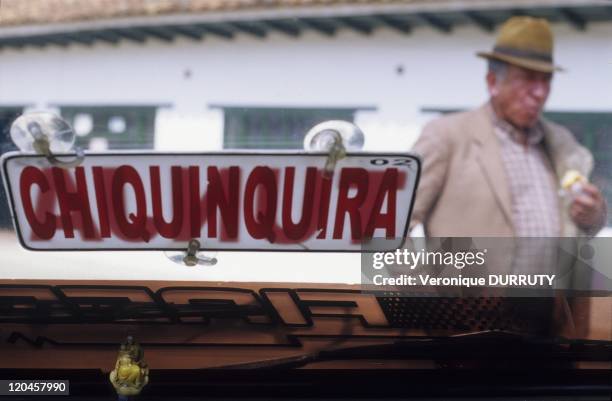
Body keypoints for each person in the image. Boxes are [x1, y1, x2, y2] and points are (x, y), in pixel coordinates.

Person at [410, 16, 607, 238]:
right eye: (528, 79)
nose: (540, 92)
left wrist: (592, 216)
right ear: (493, 82)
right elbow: (391, 228)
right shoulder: (446, 137)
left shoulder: (562, 143)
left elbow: (586, 225)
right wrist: (421, 274)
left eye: (546, 80)